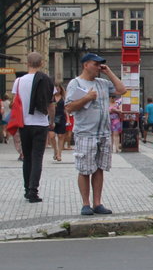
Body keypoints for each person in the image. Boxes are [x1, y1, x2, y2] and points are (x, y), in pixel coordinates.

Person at [65, 52, 127, 215]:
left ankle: (97, 203)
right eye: (96, 64)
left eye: (100, 64)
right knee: (85, 169)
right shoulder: (75, 83)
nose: (99, 67)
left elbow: (122, 90)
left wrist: (109, 72)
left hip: (103, 133)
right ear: (86, 65)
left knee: (99, 168)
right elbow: (69, 107)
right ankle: (86, 203)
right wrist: (86, 98)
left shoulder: (103, 83)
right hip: (85, 132)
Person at [14, 52, 55, 202]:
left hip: (24, 124)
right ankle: (33, 191)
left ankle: (26, 189)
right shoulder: (47, 80)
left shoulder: (18, 81)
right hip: (41, 123)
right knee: (37, 157)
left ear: (27, 63)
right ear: (42, 63)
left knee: (27, 157)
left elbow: (15, 101)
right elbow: (51, 104)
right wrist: (51, 120)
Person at [51, 83, 68, 162]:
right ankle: (55, 150)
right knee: (52, 136)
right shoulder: (51, 97)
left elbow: (66, 109)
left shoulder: (64, 98)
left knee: (61, 136)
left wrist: (68, 119)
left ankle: (59, 154)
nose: (57, 90)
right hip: (52, 118)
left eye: (58, 88)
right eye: (56, 89)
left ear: (61, 89)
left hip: (61, 117)